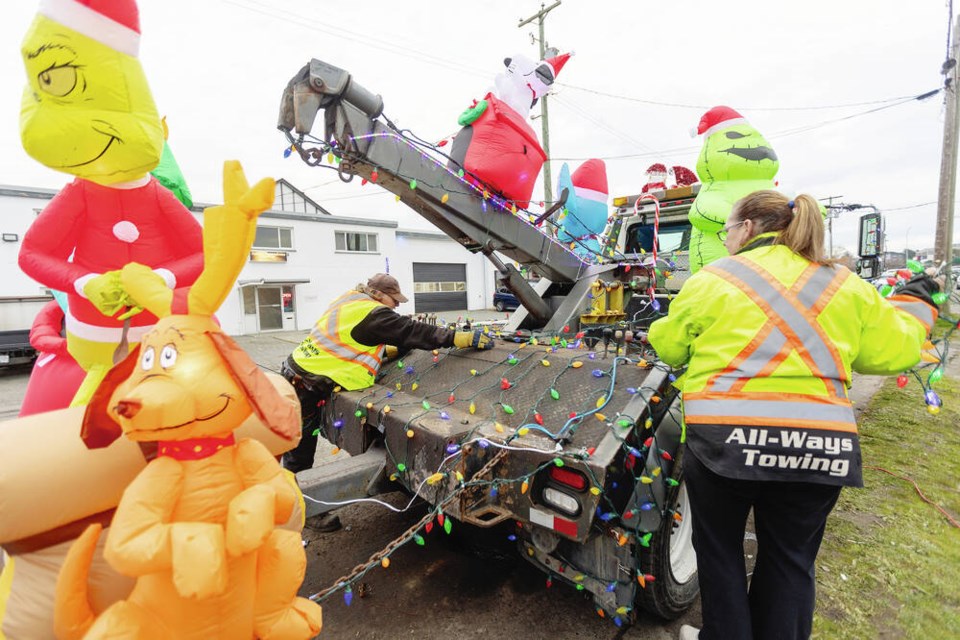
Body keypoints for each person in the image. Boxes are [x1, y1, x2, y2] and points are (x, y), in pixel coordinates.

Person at [647, 191, 940, 640]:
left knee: (721, 554)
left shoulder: (714, 277)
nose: (726, 239)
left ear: (746, 228)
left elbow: (668, 346)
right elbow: (894, 350)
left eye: (727, 230)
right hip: (820, 448)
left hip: (724, 444)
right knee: (789, 561)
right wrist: (919, 306)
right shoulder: (843, 283)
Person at [281, 273, 494, 475]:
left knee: (293, 442)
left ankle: (293, 500)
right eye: (395, 300)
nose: (398, 305)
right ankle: (298, 508)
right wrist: (458, 338)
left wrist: (383, 351)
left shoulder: (349, 299)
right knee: (299, 454)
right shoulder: (374, 313)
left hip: (297, 369)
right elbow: (413, 331)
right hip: (308, 382)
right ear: (378, 294)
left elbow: (348, 337)